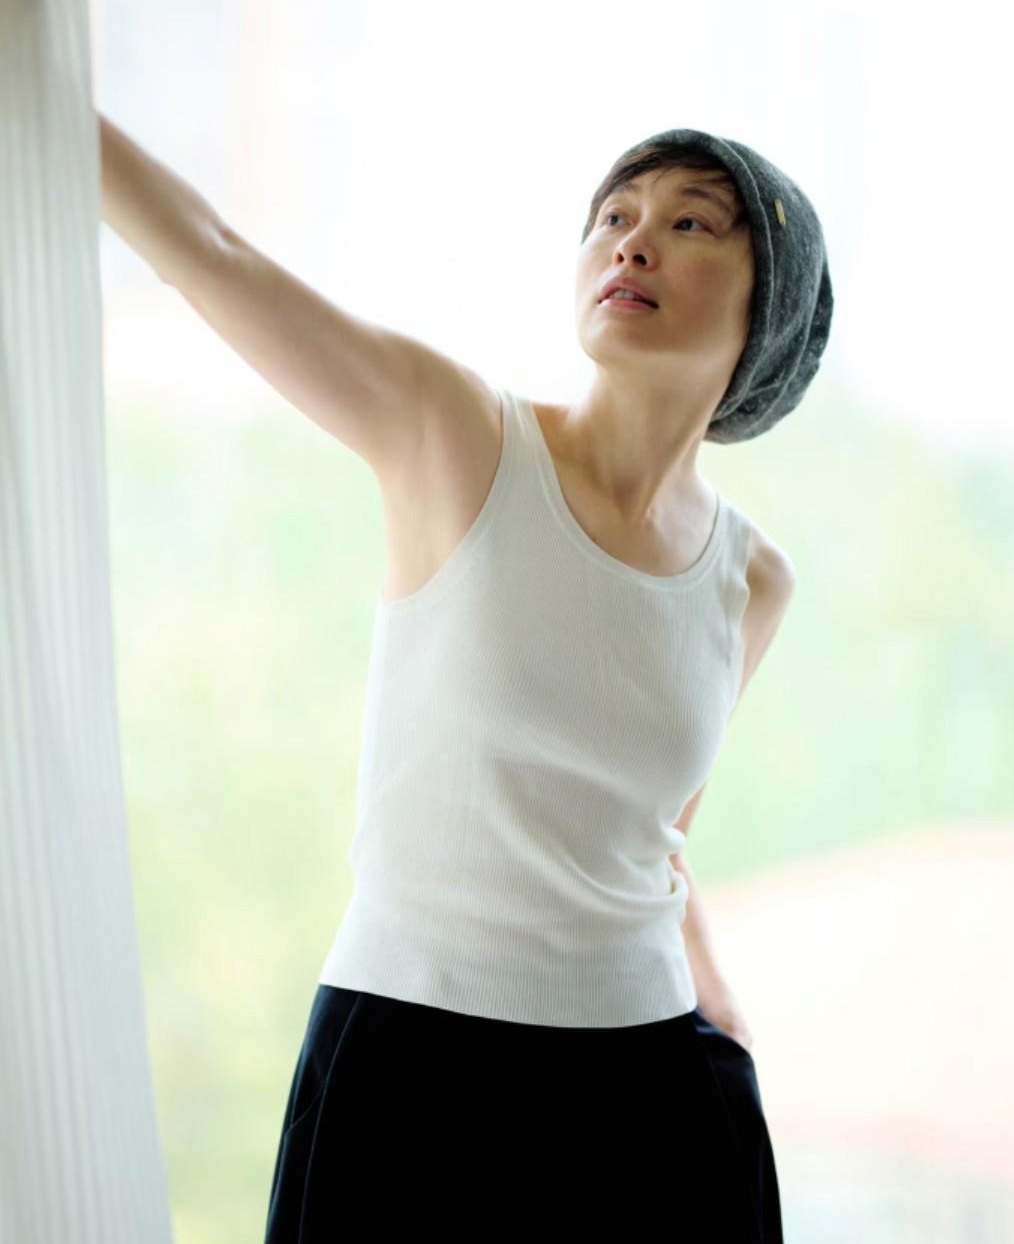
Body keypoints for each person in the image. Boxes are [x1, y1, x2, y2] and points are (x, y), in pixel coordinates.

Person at [99, 118, 832, 1240]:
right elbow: (213, 254)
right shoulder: (453, 432)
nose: (632, 242)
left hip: (650, 1087)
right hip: (409, 1060)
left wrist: (718, 1004)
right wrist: (38, 82)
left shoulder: (753, 580)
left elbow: (654, 841)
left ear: (765, 312)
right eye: (614, 216)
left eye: (690, 223)